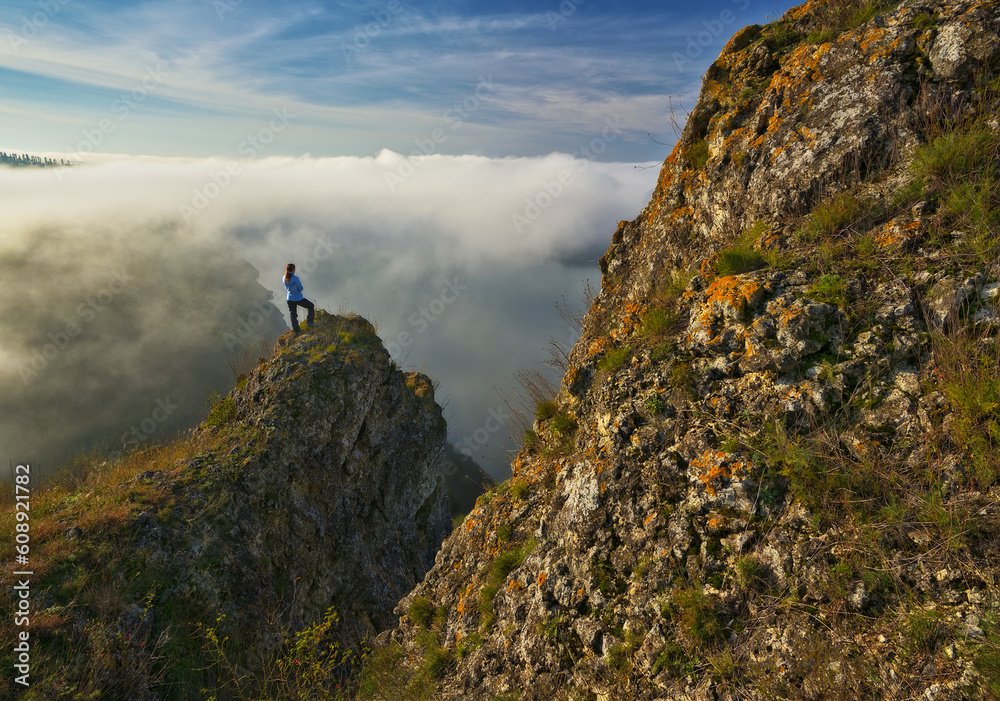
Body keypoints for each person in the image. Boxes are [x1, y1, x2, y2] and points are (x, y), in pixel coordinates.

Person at [282, 263, 316, 334]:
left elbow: (286, 288)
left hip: (289, 298)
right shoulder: (295, 278)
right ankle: (310, 322)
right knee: (310, 306)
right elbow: (300, 289)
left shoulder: (284, 278)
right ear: (293, 270)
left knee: (293, 315)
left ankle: (296, 330)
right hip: (298, 298)